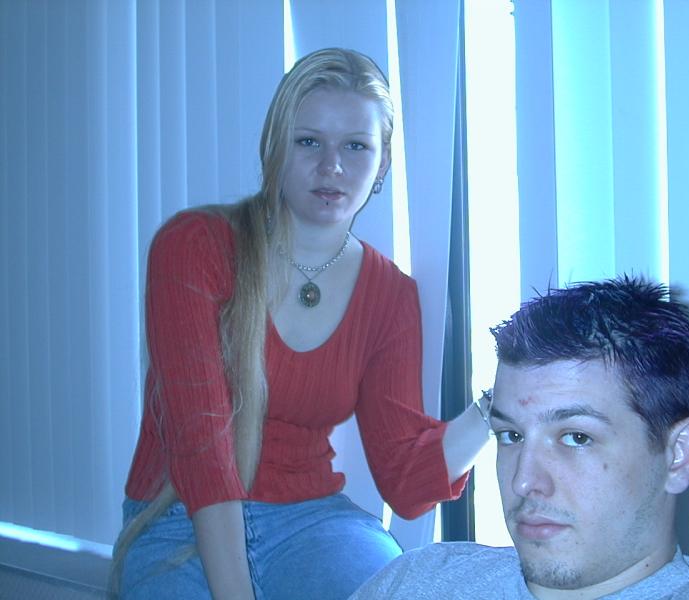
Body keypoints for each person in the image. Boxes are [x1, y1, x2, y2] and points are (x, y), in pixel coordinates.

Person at [111, 48, 492, 600]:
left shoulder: (390, 294)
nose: (332, 166)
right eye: (309, 141)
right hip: (178, 514)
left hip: (312, 519)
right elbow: (201, 446)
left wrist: (496, 406)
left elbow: (407, 482)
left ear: (382, 162)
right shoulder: (194, 246)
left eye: (356, 146)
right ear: (275, 146)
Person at [351, 276, 689, 599]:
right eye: (511, 435)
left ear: (679, 456)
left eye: (576, 438)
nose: (523, 482)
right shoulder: (418, 581)